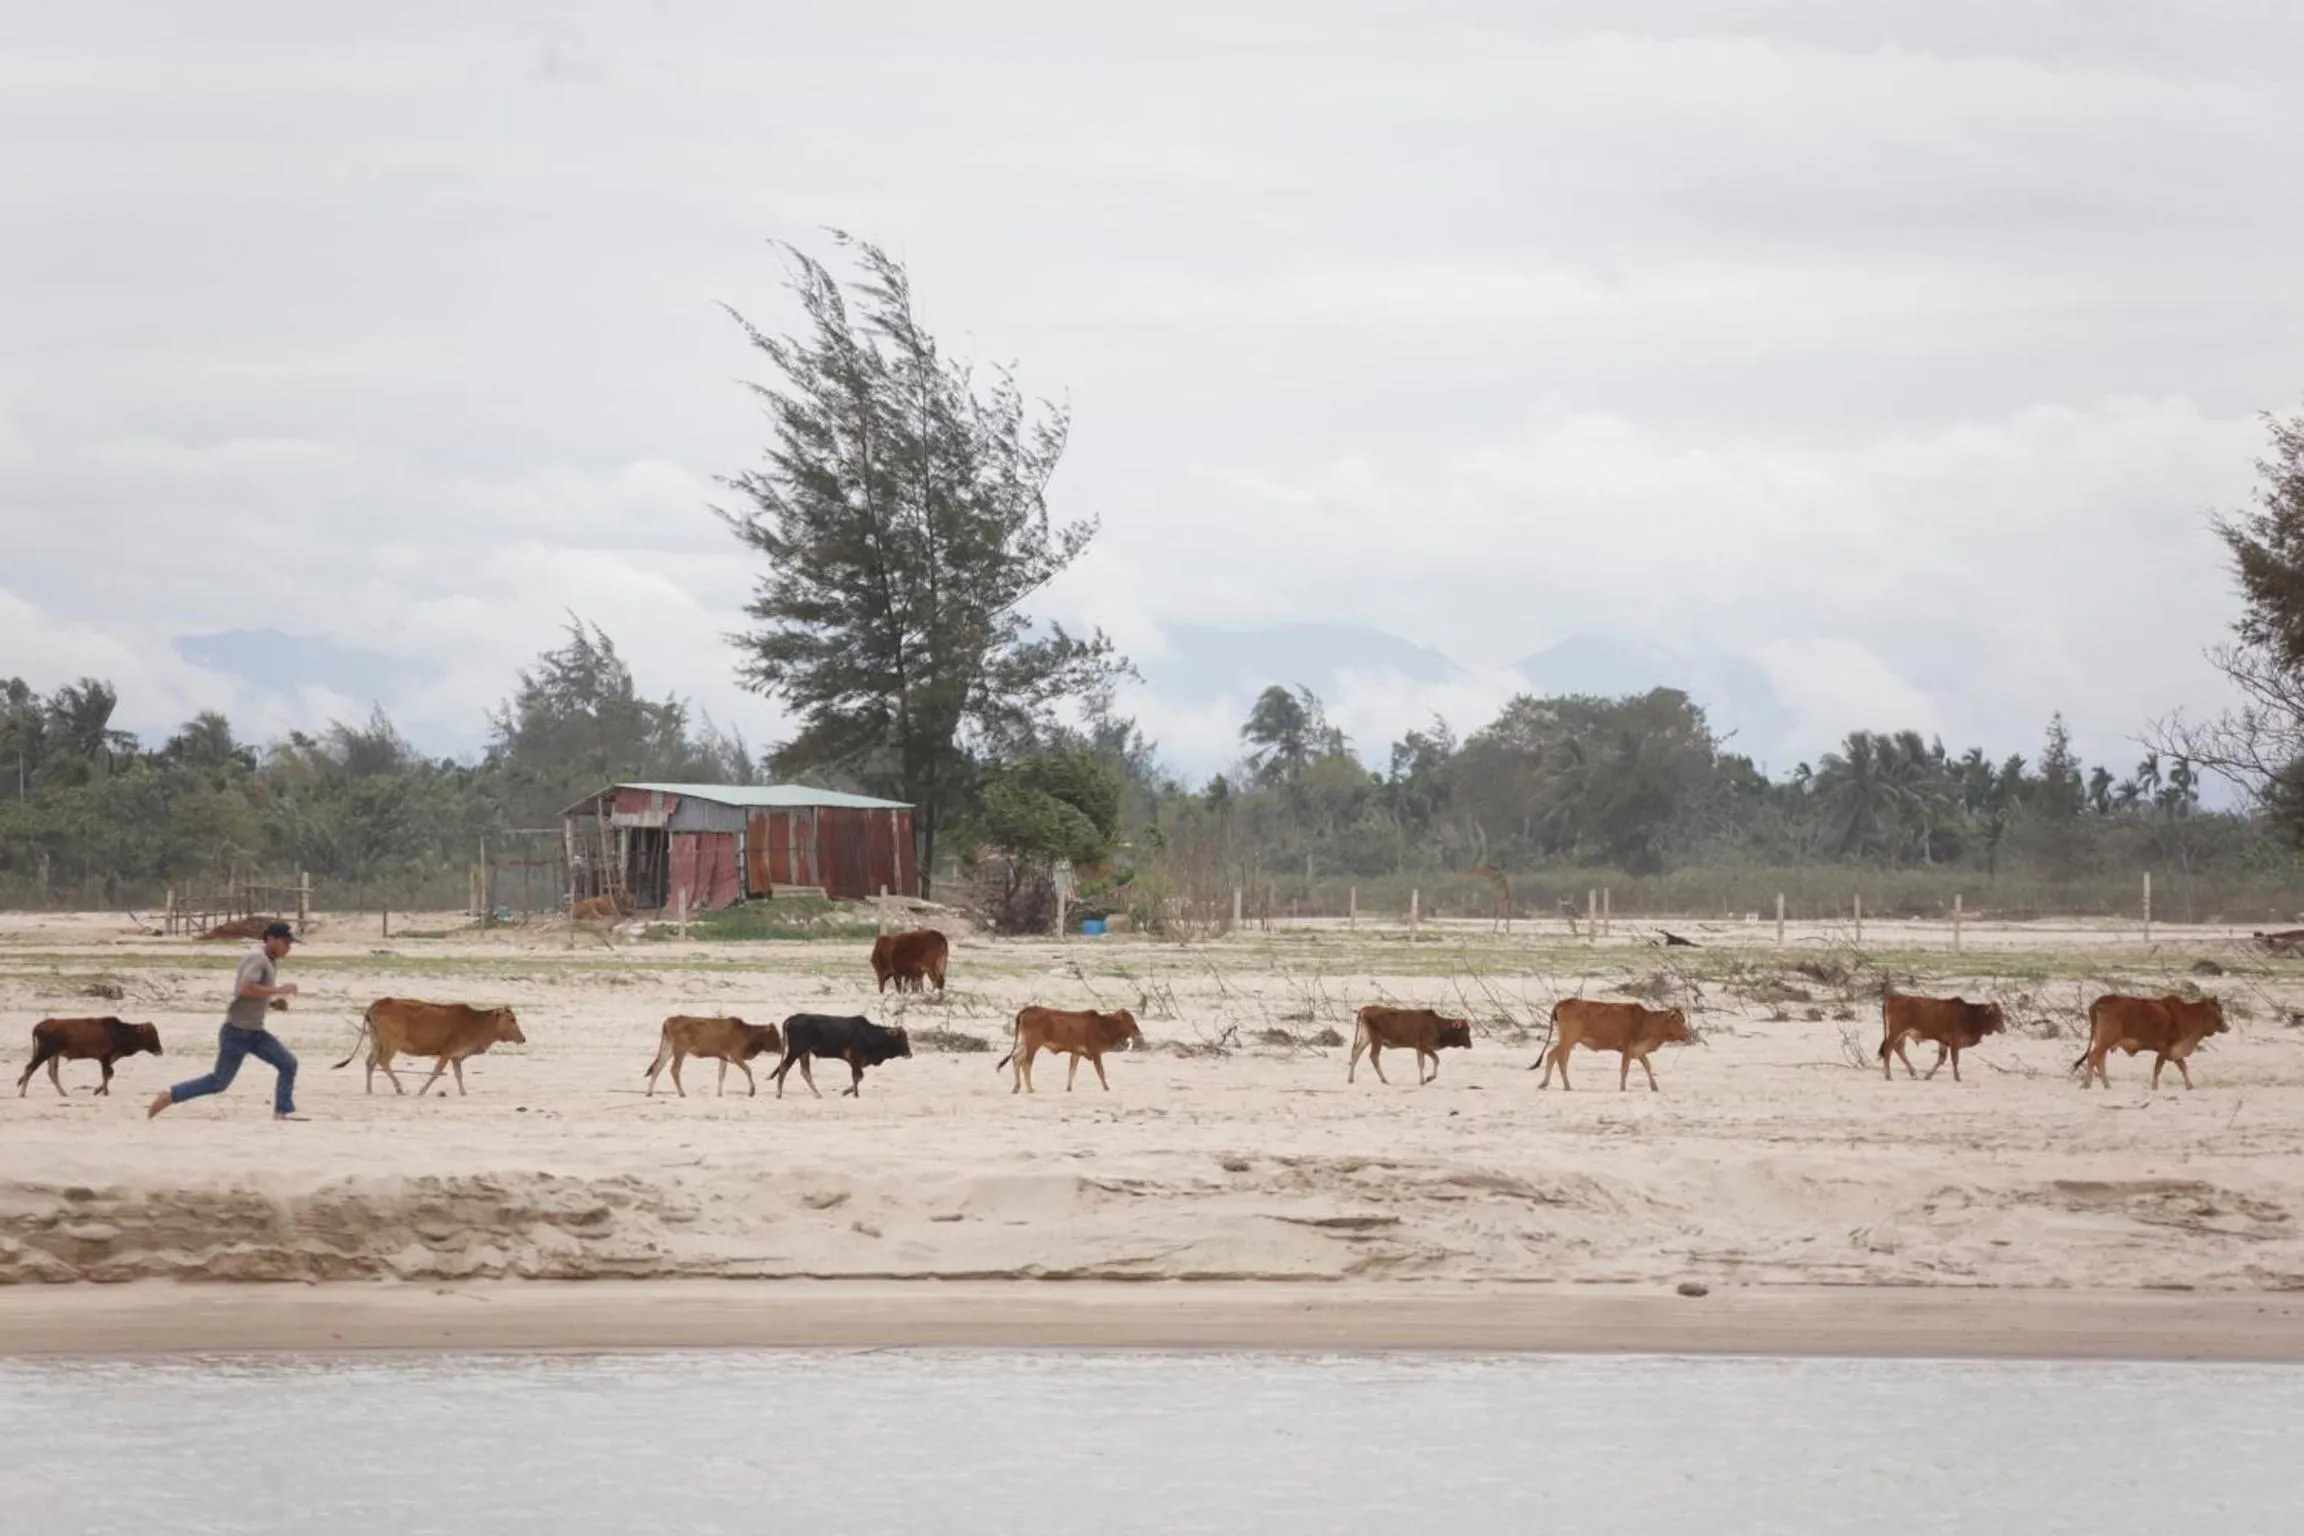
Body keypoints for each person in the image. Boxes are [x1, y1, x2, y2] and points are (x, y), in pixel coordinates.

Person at [150, 919, 304, 1121]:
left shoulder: (269, 961)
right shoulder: (258, 958)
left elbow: (249, 994)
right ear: (271, 939)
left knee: (288, 1064)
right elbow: (245, 988)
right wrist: (278, 990)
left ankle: (281, 1112)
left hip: (254, 1032)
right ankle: (171, 1095)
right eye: (286, 942)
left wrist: (272, 1003)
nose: (289, 948)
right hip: (236, 1033)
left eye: (290, 944)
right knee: (218, 1082)